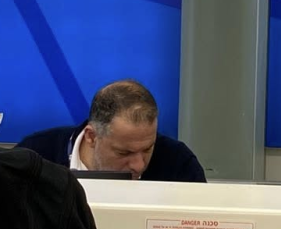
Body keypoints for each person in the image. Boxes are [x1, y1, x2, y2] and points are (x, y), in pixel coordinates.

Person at [20, 78, 205, 182]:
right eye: (124, 152)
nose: (139, 165)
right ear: (91, 137)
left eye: (148, 149)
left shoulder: (178, 164)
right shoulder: (34, 157)